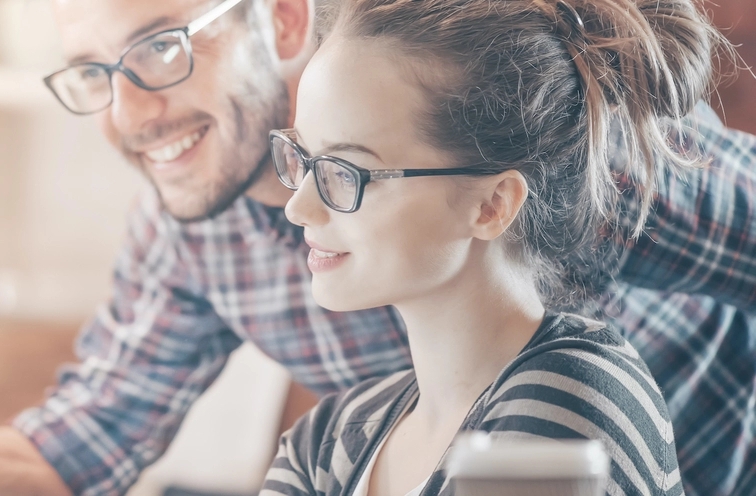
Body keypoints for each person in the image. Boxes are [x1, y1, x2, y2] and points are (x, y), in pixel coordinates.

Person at [0, 0, 756, 494]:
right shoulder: (331, 421)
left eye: (160, 48)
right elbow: (70, 447)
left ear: (284, 20)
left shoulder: (548, 144)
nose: (128, 113)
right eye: (92, 75)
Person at [259, 0, 717, 492]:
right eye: (303, 159)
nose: (297, 208)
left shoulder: (569, 402)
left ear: (493, 205)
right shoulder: (327, 442)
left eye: (344, 172)